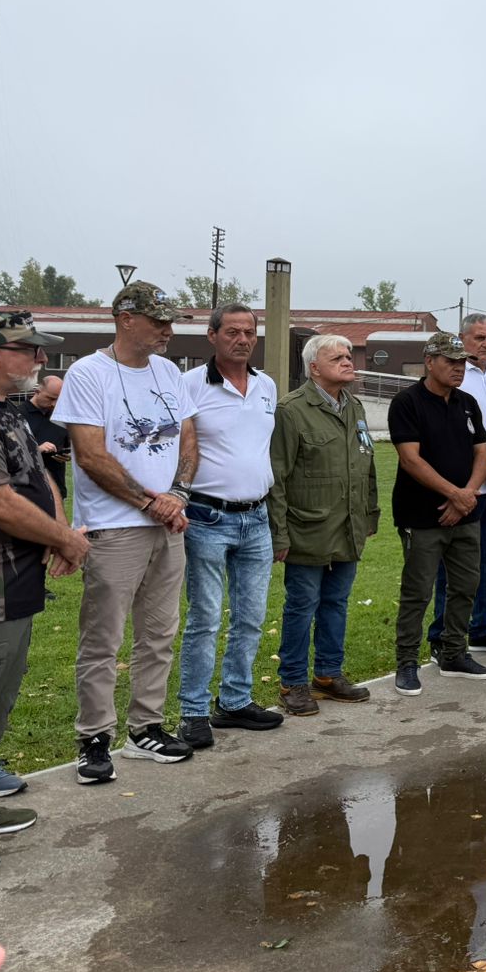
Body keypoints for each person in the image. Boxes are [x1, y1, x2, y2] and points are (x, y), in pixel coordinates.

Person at [53, 281, 199, 782]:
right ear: (125, 318)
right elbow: (91, 456)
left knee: (159, 634)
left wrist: (177, 494)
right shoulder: (88, 373)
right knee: (103, 638)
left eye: (169, 321)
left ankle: (146, 728)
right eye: (158, 321)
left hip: (169, 522)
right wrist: (148, 501)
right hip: (115, 527)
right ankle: (93, 738)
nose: (167, 330)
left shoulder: (168, 372)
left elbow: (188, 437)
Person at [0, 312, 88, 860]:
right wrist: (66, 541)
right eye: (29, 349)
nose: (41, 359)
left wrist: (58, 528)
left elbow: (37, 478)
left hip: (14, 583)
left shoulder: (12, 412)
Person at [176, 304, 284, 749]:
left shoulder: (266, 386)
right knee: (204, 618)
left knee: (251, 618)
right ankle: (193, 712)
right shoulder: (188, 386)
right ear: (212, 335)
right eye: (233, 332)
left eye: (249, 333)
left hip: (256, 517)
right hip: (206, 517)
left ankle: (235, 701)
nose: (242, 339)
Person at [269, 334, 378, 717]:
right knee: (302, 605)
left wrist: (371, 514)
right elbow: (277, 476)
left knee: (336, 603)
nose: (349, 362)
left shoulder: (355, 406)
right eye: (339, 357)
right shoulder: (291, 410)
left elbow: (367, 465)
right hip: (307, 527)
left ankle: (329, 676)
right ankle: (293, 682)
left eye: (350, 356)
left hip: (348, 525)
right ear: (314, 367)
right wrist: (279, 533)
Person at [388, 331, 486, 695]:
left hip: (466, 514)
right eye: (450, 361)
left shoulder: (467, 403)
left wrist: (466, 496)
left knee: (466, 586)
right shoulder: (407, 402)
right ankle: (406, 662)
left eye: (462, 362)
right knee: (418, 592)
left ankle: (453, 652)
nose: (458, 368)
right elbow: (410, 459)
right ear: (429, 362)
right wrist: (454, 495)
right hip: (421, 515)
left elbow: (482, 452)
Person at [427, 315, 486, 658]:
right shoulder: (456, 378)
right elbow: (449, 436)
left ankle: (482, 628)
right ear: (463, 339)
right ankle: (442, 635)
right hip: (466, 488)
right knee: (454, 565)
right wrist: (485, 472)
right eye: (479, 337)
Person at [20, 376, 69, 499]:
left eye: (58, 400)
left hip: (57, 488)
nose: (54, 404)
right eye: (50, 398)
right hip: (27, 490)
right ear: (37, 392)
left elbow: (67, 444)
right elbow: (7, 453)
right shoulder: (17, 415)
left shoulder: (61, 417)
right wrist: (37, 449)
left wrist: (68, 454)